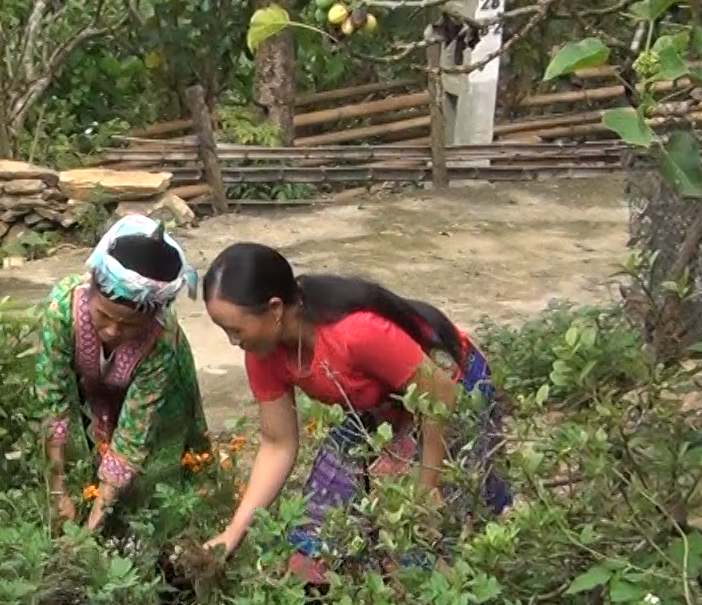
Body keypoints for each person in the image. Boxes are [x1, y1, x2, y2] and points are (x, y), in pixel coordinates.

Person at [200, 243, 511, 581]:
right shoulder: (262, 352)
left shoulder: (355, 334)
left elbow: (440, 398)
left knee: (427, 536)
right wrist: (233, 533)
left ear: (275, 308)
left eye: (236, 329)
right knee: (314, 535)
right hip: (380, 408)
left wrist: (427, 485)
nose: (232, 341)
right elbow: (278, 444)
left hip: (450, 392)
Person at [31, 214, 212, 533]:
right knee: (79, 455)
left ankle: (160, 538)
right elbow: (52, 402)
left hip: (161, 400)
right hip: (91, 390)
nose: (113, 330)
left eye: (129, 325)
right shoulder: (62, 310)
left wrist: (99, 515)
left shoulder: (161, 340)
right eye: (104, 316)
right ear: (91, 293)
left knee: (155, 479)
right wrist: (57, 490)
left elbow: (135, 430)